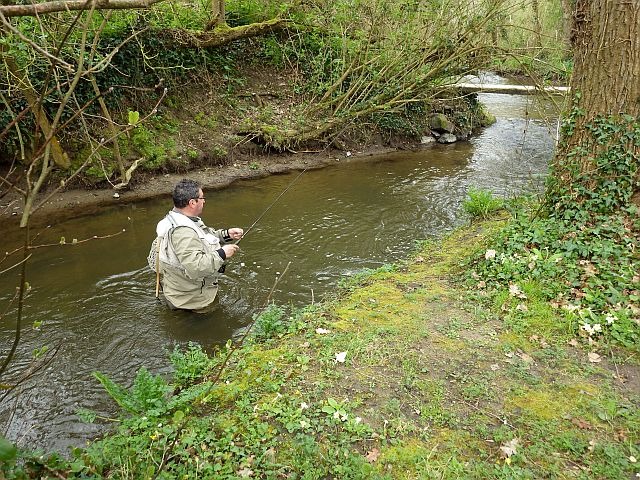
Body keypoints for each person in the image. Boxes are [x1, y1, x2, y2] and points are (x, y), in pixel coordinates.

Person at [152, 178, 243, 312]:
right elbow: (196, 267)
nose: (204, 201)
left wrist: (226, 234)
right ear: (192, 202)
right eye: (202, 198)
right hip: (192, 304)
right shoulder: (182, 232)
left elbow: (203, 238)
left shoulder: (177, 219)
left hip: (179, 293)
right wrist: (223, 253)